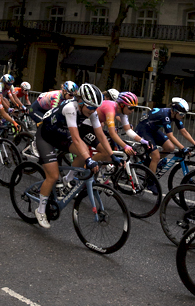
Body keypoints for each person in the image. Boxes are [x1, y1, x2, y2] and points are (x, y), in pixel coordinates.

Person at [32, 83, 108, 228]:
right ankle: (40, 210)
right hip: (46, 136)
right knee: (53, 176)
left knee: (83, 150)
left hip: (60, 134)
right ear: (80, 102)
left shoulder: (91, 112)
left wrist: (112, 155)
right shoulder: (70, 108)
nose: (93, 110)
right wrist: (89, 160)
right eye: (90, 107)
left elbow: (101, 136)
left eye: (95, 108)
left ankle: (68, 179)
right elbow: (76, 138)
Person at [135, 97, 195, 173]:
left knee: (170, 147)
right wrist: (182, 148)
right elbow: (170, 136)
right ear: (174, 111)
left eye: (184, 114)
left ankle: (153, 163)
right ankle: (150, 181)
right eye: (181, 114)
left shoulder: (175, 115)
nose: (183, 116)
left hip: (152, 130)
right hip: (143, 130)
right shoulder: (165, 116)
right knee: (156, 156)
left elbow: (184, 131)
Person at [97, 91, 149, 155]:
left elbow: (128, 130)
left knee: (109, 154)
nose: (132, 110)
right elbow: (112, 133)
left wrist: (142, 141)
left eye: (134, 108)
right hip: (88, 124)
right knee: (107, 153)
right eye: (130, 108)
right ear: (122, 105)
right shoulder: (111, 108)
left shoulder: (122, 111)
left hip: (96, 125)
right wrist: (125, 146)